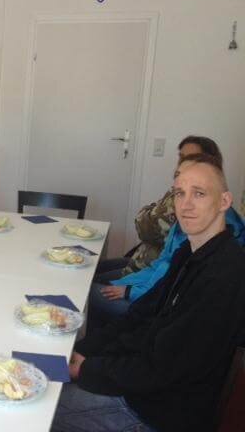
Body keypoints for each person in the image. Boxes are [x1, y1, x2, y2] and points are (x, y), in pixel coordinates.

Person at [51, 154, 245, 432]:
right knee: (42, 376)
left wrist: (87, 369)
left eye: (199, 194)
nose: (186, 205)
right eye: (180, 194)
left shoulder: (224, 275)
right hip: (141, 383)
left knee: (39, 406)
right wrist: (81, 351)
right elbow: (137, 318)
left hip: (157, 412)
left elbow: (163, 368)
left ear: (224, 201)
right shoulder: (188, 253)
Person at [88, 136, 227, 326]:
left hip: (151, 304)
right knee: (90, 272)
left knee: (84, 289)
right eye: (181, 157)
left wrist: (129, 291)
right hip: (144, 275)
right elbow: (159, 263)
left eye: (193, 159)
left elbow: (165, 278)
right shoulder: (179, 211)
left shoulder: (203, 234)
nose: (186, 204)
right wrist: (124, 286)